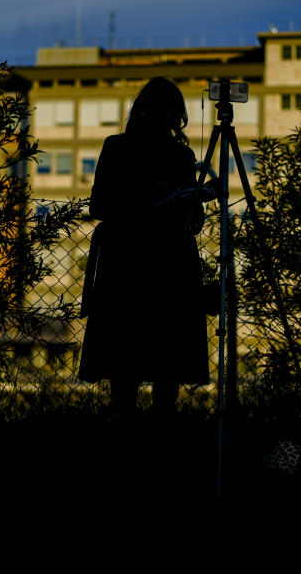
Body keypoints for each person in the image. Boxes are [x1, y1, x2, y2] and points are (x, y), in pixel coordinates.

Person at [79, 77, 210, 418]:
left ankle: (133, 434)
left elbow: (99, 206)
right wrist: (158, 197)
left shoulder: (128, 148)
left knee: (130, 362)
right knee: (157, 361)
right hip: (157, 267)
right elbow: (100, 206)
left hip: (134, 266)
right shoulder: (174, 154)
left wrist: (186, 200)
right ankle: (155, 436)